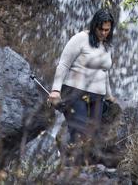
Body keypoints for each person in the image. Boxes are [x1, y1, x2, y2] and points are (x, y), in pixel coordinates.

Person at [48, 9, 117, 157]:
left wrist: (109, 96)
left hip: (97, 97)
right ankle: (69, 170)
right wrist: (55, 91)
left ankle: (84, 171)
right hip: (74, 92)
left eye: (107, 30)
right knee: (79, 132)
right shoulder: (80, 38)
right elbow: (63, 64)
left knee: (92, 136)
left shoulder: (107, 46)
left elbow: (104, 73)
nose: (103, 33)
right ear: (94, 26)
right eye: (101, 29)